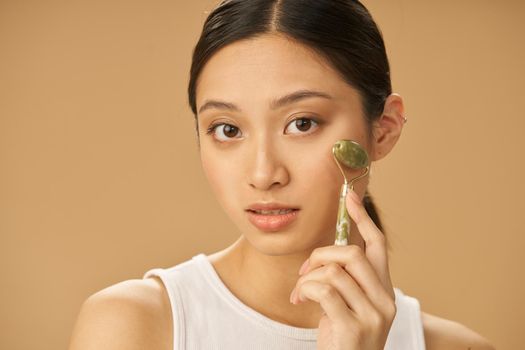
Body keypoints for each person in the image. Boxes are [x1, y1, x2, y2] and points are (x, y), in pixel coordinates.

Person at [68, 1, 496, 349]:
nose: (262, 174)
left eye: (303, 123)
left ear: (383, 129)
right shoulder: (133, 325)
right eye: (227, 130)